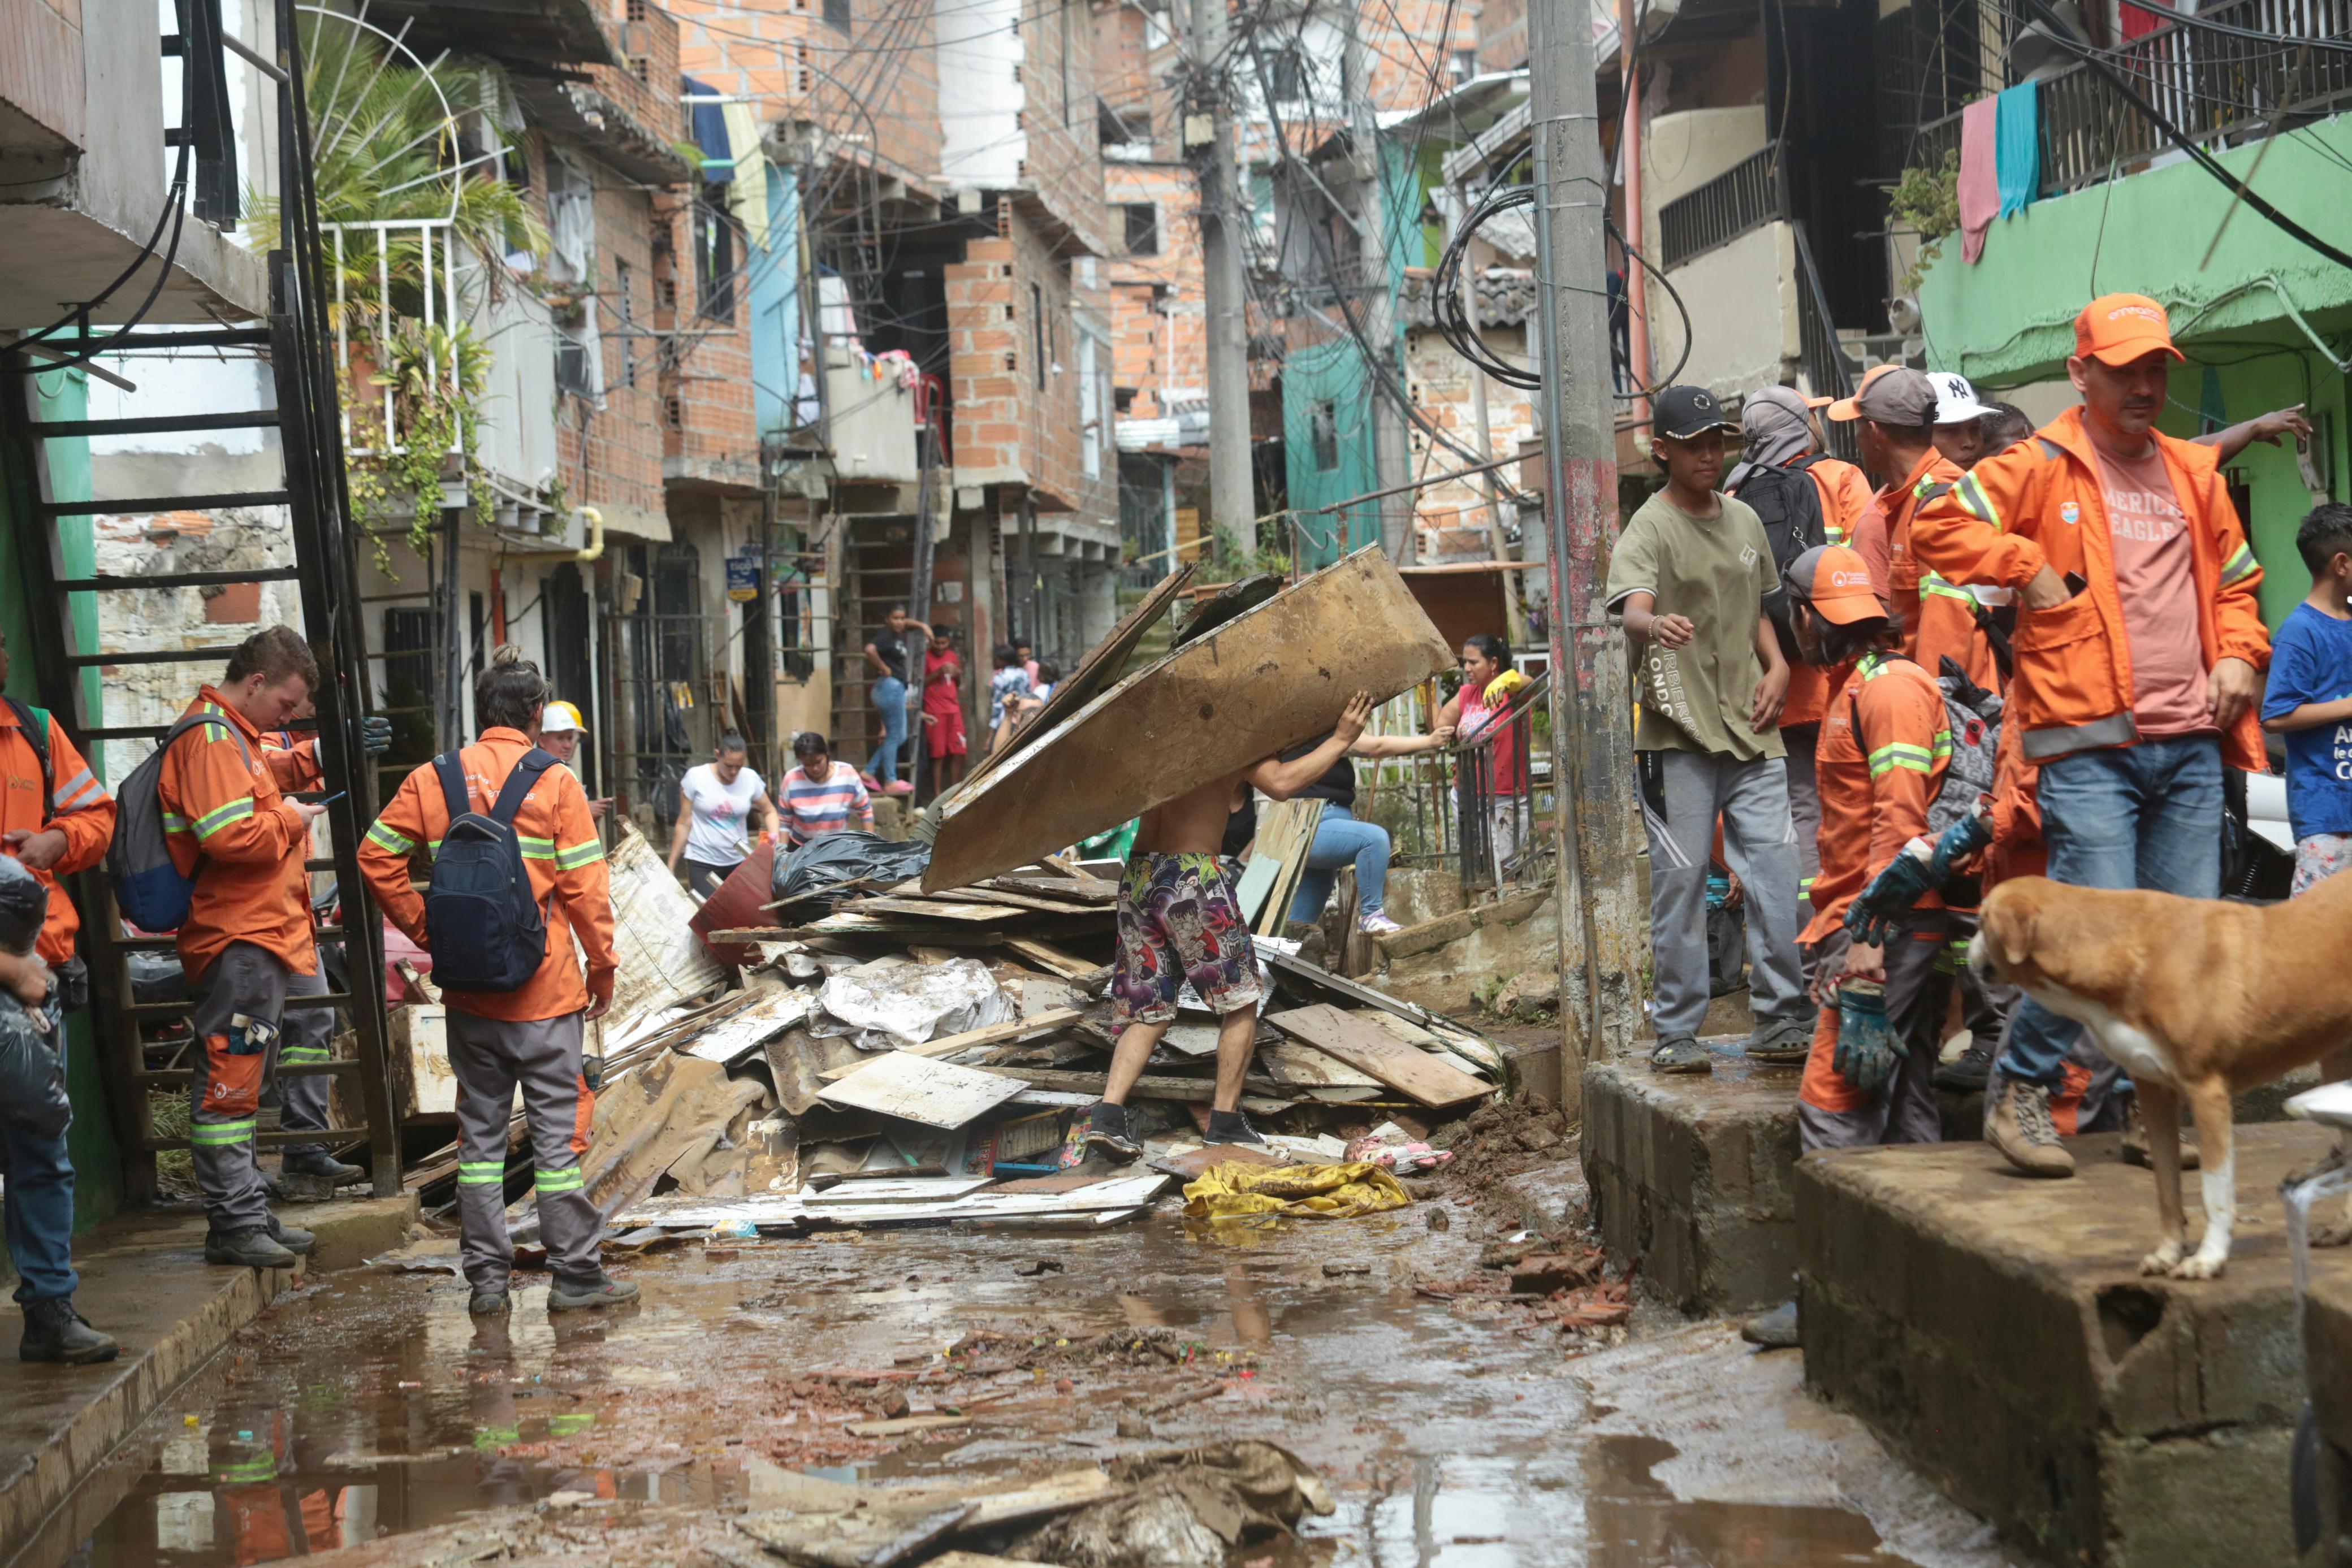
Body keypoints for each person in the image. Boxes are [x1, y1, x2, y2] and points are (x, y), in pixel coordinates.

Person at [1913, 293, 2271, 1178]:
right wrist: (2025, 567)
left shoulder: (2195, 473)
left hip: (2190, 740)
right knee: (2091, 942)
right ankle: (2022, 1090)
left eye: (2155, 369)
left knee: (2179, 947)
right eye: (2125, 370)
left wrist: (2237, 656)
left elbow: (2237, 584)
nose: (2145, 385)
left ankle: (2157, 1114)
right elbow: (1936, 526)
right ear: (2082, 373)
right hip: (2085, 746)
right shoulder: (2037, 465)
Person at [359, 649, 633, 1313]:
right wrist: (603, 970)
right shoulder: (558, 783)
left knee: (478, 1145)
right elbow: (588, 892)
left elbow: (374, 856)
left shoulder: (433, 777)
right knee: (557, 1140)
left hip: (469, 997)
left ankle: (486, 1283)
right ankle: (575, 1275)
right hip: (545, 996)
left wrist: (428, 932)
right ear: (537, 714)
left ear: (482, 713)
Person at [1743, 545, 1955, 1348]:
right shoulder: (1860, 687)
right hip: (1888, 925)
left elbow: (1899, 822)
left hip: (1883, 932)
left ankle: (1828, 1292)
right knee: (1904, 1102)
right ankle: (1920, 1289)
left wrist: (1864, 939)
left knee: (1832, 1104)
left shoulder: (1887, 690)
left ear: (1806, 615)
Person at [1605, 384, 1810, 1075]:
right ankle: (1676, 1030)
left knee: (1778, 871)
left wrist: (1778, 665)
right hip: (1676, 735)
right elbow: (1633, 607)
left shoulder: (1746, 519)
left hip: (1751, 729)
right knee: (1682, 879)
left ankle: (1782, 1016)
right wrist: (1651, 622)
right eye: (1693, 444)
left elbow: (1757, 604)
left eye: (1717, 441)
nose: (1708, 454)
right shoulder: (1649, 527)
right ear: (1660, 450)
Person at [1085, 693, 1378, 1158]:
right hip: (1191, 878)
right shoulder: (1230, 734)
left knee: (1148, 1008)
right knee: (1242, 999)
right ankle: (1224, 1122)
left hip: (1140, 874)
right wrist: (1342, 739)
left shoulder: (1158, 742)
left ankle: (1107, 1117)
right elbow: (1281, 785)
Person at [155, 627, 332, 1268]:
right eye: (286, 705)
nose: (288, 717)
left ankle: (248, 1210)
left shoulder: (232, 735)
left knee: (245, 1072)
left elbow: (260, 776)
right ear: (256, 682)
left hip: (263, 937)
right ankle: (233, 1222)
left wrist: (314, 758)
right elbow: (231, 835)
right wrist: (294, 816)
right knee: (231, 1081)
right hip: (240, 939)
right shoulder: (209, 738)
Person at [1727, 384, 1877, 933]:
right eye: (1810, 415)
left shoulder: (1733, 489)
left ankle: (1806, 945)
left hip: (1776, 687)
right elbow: (1869, 569)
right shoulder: (1840, 477)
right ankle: (1857, 940)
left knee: (1796, 815)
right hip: (1842, 680)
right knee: (1856, 811)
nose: (1818, 424)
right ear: (1797, 424)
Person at [0, 855, 115, 1363]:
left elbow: (89, 824)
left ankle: (49, 1312)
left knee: (43, 1149)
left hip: (32, 971)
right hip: (20, 971)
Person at [1272, 717, 1455, 935]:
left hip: (1314, 824)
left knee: (1297, 927)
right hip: (1313, 823)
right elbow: (1376, 746)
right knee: (1373, 839)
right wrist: (1429, 742)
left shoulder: (1305, 731)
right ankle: (1371, 915)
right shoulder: (1319, 729)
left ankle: (1274, 963)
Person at [2263, 503, 2352, 896]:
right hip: (2328, 816)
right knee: (2316, 940)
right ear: (2342, 564)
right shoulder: (2300, 631)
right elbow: (2277, 715)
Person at [1437, 636, 1536, 877]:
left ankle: (1506, 913)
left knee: (1504, 870)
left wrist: (1507, 680)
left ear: (1493, 663)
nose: (1466, 668)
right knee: (1477, 868)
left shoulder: (1511, 693)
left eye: (1473, 662)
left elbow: (1530, 683)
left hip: (1504, 796)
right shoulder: (1466, 694)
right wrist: (1427, 697)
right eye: (1465, 662)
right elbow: (1440, 730)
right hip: (1467, 794)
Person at [666, 734, 778, 898]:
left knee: (740, 912)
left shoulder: (750, 779)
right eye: (729, 765)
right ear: (717, 755)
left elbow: (769, 811)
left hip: (739, 861)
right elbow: (684, 822)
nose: (733, 772)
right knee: (709, 913)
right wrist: (671, 863)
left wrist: (774, 839)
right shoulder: (696, 777)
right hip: (702, 860)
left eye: (738, 767)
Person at [863, 606, 933, 795]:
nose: (900, 622)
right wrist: (883, 667)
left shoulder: (896, 633)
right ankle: (890, 780)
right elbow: (869, 649)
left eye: (902, 618)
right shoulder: (885, 636)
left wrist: (922, 626)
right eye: (895, 618)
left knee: (899, 736)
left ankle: (869, 772)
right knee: (895, 735)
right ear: (887, 619)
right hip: (890, 687)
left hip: (890, 688)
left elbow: (907, 624)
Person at [778, 732, 875, 846]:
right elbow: (785, 822)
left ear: (827, 754)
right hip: (801, 848)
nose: (815, 769)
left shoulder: (847, 775)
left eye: (818, 762)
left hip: (836, 847)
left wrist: (871, 845)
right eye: (807, 764)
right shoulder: (791, 780)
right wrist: (781, 854)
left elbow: (865, 811)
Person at [537, 701, 611, 821]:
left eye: (570, 738)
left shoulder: (563, 770)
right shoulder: (540, 774)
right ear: (542, 741)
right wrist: (585, 812)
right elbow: (544, 819)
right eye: (560, 738)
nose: (568, 745)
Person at [920, 630, 969, 790]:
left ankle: (954, 792)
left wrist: (957, 674)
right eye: (937, 643)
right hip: (935, 710)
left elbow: (957, 682)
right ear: (931, 642)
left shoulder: (952, 655)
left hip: (953, 709)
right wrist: (939, 672)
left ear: (948, 642)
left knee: (958, 751)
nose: (940, 647)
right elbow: (919, 684)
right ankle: (937, 795)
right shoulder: (926, 657)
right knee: (938, 754)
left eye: (944, 643)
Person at [988, 644, 1033, 740]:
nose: (994, 661)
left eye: (996, 658)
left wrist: (990, 737)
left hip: (1005, 720)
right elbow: (1028, 695)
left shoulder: (999, 678)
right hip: (1022, 718)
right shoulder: (1024, 674)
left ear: (1002, 660)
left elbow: (997, 707)